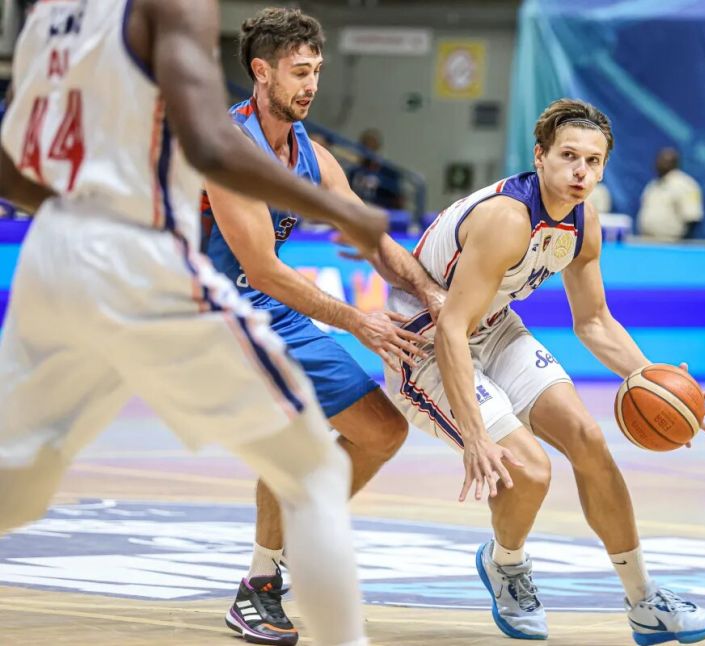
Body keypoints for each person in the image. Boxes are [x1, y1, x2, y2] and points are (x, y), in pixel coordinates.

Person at [0, 2, 387, 645]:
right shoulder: (172, 5)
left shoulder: (47, 16)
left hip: (50, 249)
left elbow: (10, 166)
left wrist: (77, 216)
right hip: (137, 252)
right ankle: (294, 609)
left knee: (17, 483)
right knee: (313, 471)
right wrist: (341, 212)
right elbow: (211, 145)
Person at [385, 99, 705, 644]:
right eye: (569, 156)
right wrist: (475, 435)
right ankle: (506, 564)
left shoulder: (583, 222)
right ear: (539, 157)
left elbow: (593, 321)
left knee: (588, 439)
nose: (580, 172)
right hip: (424, 344)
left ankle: (645, 602)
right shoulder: (506, 219)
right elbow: (450, 328)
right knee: (529, 469)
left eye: (593, 161)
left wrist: (654, 381)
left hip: (494, 327)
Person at [201, 9, 443, 644]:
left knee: (382, 432)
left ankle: (298, 542)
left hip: (271, 311)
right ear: (262, 72)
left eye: (316, 71)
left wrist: (431, 292)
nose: (311, 85)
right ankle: (259, 585)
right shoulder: (229, 150)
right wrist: (359, 321)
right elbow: (262, 267)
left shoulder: (313, 154)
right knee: (296, 441)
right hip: (209, 313)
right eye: (299, 72)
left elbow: (369, 235)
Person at [637, 147, 704, 241]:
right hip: (647, 241)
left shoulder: (686, 185)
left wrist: (683, 243)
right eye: (659, 160)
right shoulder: (653, 185)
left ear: (675, 163)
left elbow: (692, 218)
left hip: (672, 243)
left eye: (665, 161)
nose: (660, 163)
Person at [348, 128, 404, 210]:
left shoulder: (389, 173)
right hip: (355, 209)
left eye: (372, 146)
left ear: (377, 147)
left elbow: (397, 201)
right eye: (365, 145)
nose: (368, 149)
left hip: (377, 211)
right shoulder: (354, 172)